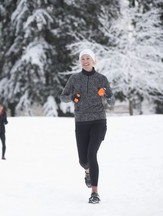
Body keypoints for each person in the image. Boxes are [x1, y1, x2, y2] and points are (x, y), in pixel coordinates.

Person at [60, 49, 115, 204]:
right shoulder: (74, 79)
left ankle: (95, 193)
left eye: (88, 58)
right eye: (82, 58)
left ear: (93, 60)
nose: (85, 61)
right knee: (83, 161)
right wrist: (73, 97)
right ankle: (87, 170)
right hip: (81, 122)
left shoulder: (101, 79)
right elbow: (63, 97)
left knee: (92, 154)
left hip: (98, 121)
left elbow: (112, 101)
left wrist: (104, 94)